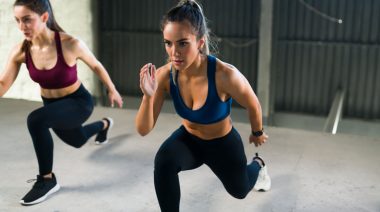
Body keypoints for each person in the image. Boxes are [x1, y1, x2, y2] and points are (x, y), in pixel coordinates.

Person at [135, 0, 271, 211]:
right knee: (164, 162)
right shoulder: (163, 76)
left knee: (240, 190)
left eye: (182, 43)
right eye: (168, 43)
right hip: (189, 141)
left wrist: (257, 132)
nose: (174, 52)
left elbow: (253, 104)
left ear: (200, 42)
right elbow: (143, 129)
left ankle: (258, 165)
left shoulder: (225, 75)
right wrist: (147, 96)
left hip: (222, 143)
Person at [0, 0, 123, 206]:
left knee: (36, 120)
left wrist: (112, 89)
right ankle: (105, 124)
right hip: (53, 107)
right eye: (18, 21)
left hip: (78, 103)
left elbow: (96, 65)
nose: (22, 27)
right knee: (78, 140)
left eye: (27, 20)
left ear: (44, 17)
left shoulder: (69, 43)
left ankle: (47, 180)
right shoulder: (21, 51)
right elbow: (3, 83)